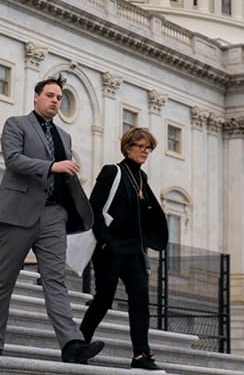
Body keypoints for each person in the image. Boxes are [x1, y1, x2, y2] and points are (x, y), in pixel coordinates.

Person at [0, 75, 105, 364]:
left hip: (53, 215)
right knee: (4, 281)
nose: (55, 101)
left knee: (55, 281)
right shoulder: (16, 124)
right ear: (36, 97)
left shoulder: (65, 137)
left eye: (60, 97)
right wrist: (52, 165)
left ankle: (72, 344)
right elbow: (13, 160)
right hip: (18, 213)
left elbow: (66, 175)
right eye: (50, 95)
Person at [79, 127, 169, 371]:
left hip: (134, 251)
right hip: (111, 248)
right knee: (104, 298)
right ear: (128, 147)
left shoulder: (142, 179)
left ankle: (141, 354)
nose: (145, 151)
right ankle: (79, 343)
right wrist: (106, 240)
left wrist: (150, 239)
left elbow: (149, 213)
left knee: (140, 300)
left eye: (148, 147)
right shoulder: (113, 172)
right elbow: (93, 207)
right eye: (141, 146)